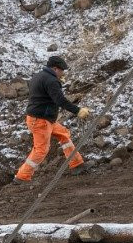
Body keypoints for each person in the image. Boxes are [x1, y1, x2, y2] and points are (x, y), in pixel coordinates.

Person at [14, 54, 91, 184]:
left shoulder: (38, 76)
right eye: (62, 70)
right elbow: (60, 100)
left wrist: (56, 83)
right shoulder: (51, 80)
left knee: (64, 134)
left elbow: (44, 94)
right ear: (55, 69)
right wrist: (78, 111)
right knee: (41, 150)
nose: (63, 73)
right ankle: (22, 177)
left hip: (43, 119)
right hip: (41, 121)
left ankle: (77, 164)